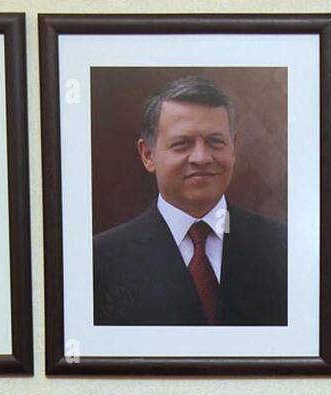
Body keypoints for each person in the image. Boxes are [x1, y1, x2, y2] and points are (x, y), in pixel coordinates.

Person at [93, 75, 287, 326]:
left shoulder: (282, 248)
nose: (201, 157)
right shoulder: (101, 260)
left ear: (233, 148)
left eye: (215, 142)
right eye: (182, 144)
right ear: (148, 155)